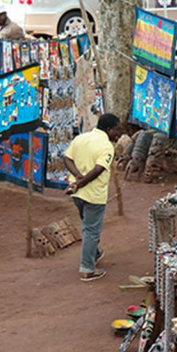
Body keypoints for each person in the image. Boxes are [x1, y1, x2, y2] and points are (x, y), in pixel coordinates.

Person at [63, 113, 123, 282]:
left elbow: (67, 158)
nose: (119, 134)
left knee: (88, 226)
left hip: (77, 194)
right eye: (117, 130)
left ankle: (94, 253)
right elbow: (98, 170)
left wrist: (77, 178)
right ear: (109, 129)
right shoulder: (106, 146)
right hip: (93, 195)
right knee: (91, 230)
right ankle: (87, 269)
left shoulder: (81, 138)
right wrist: (80, 183)